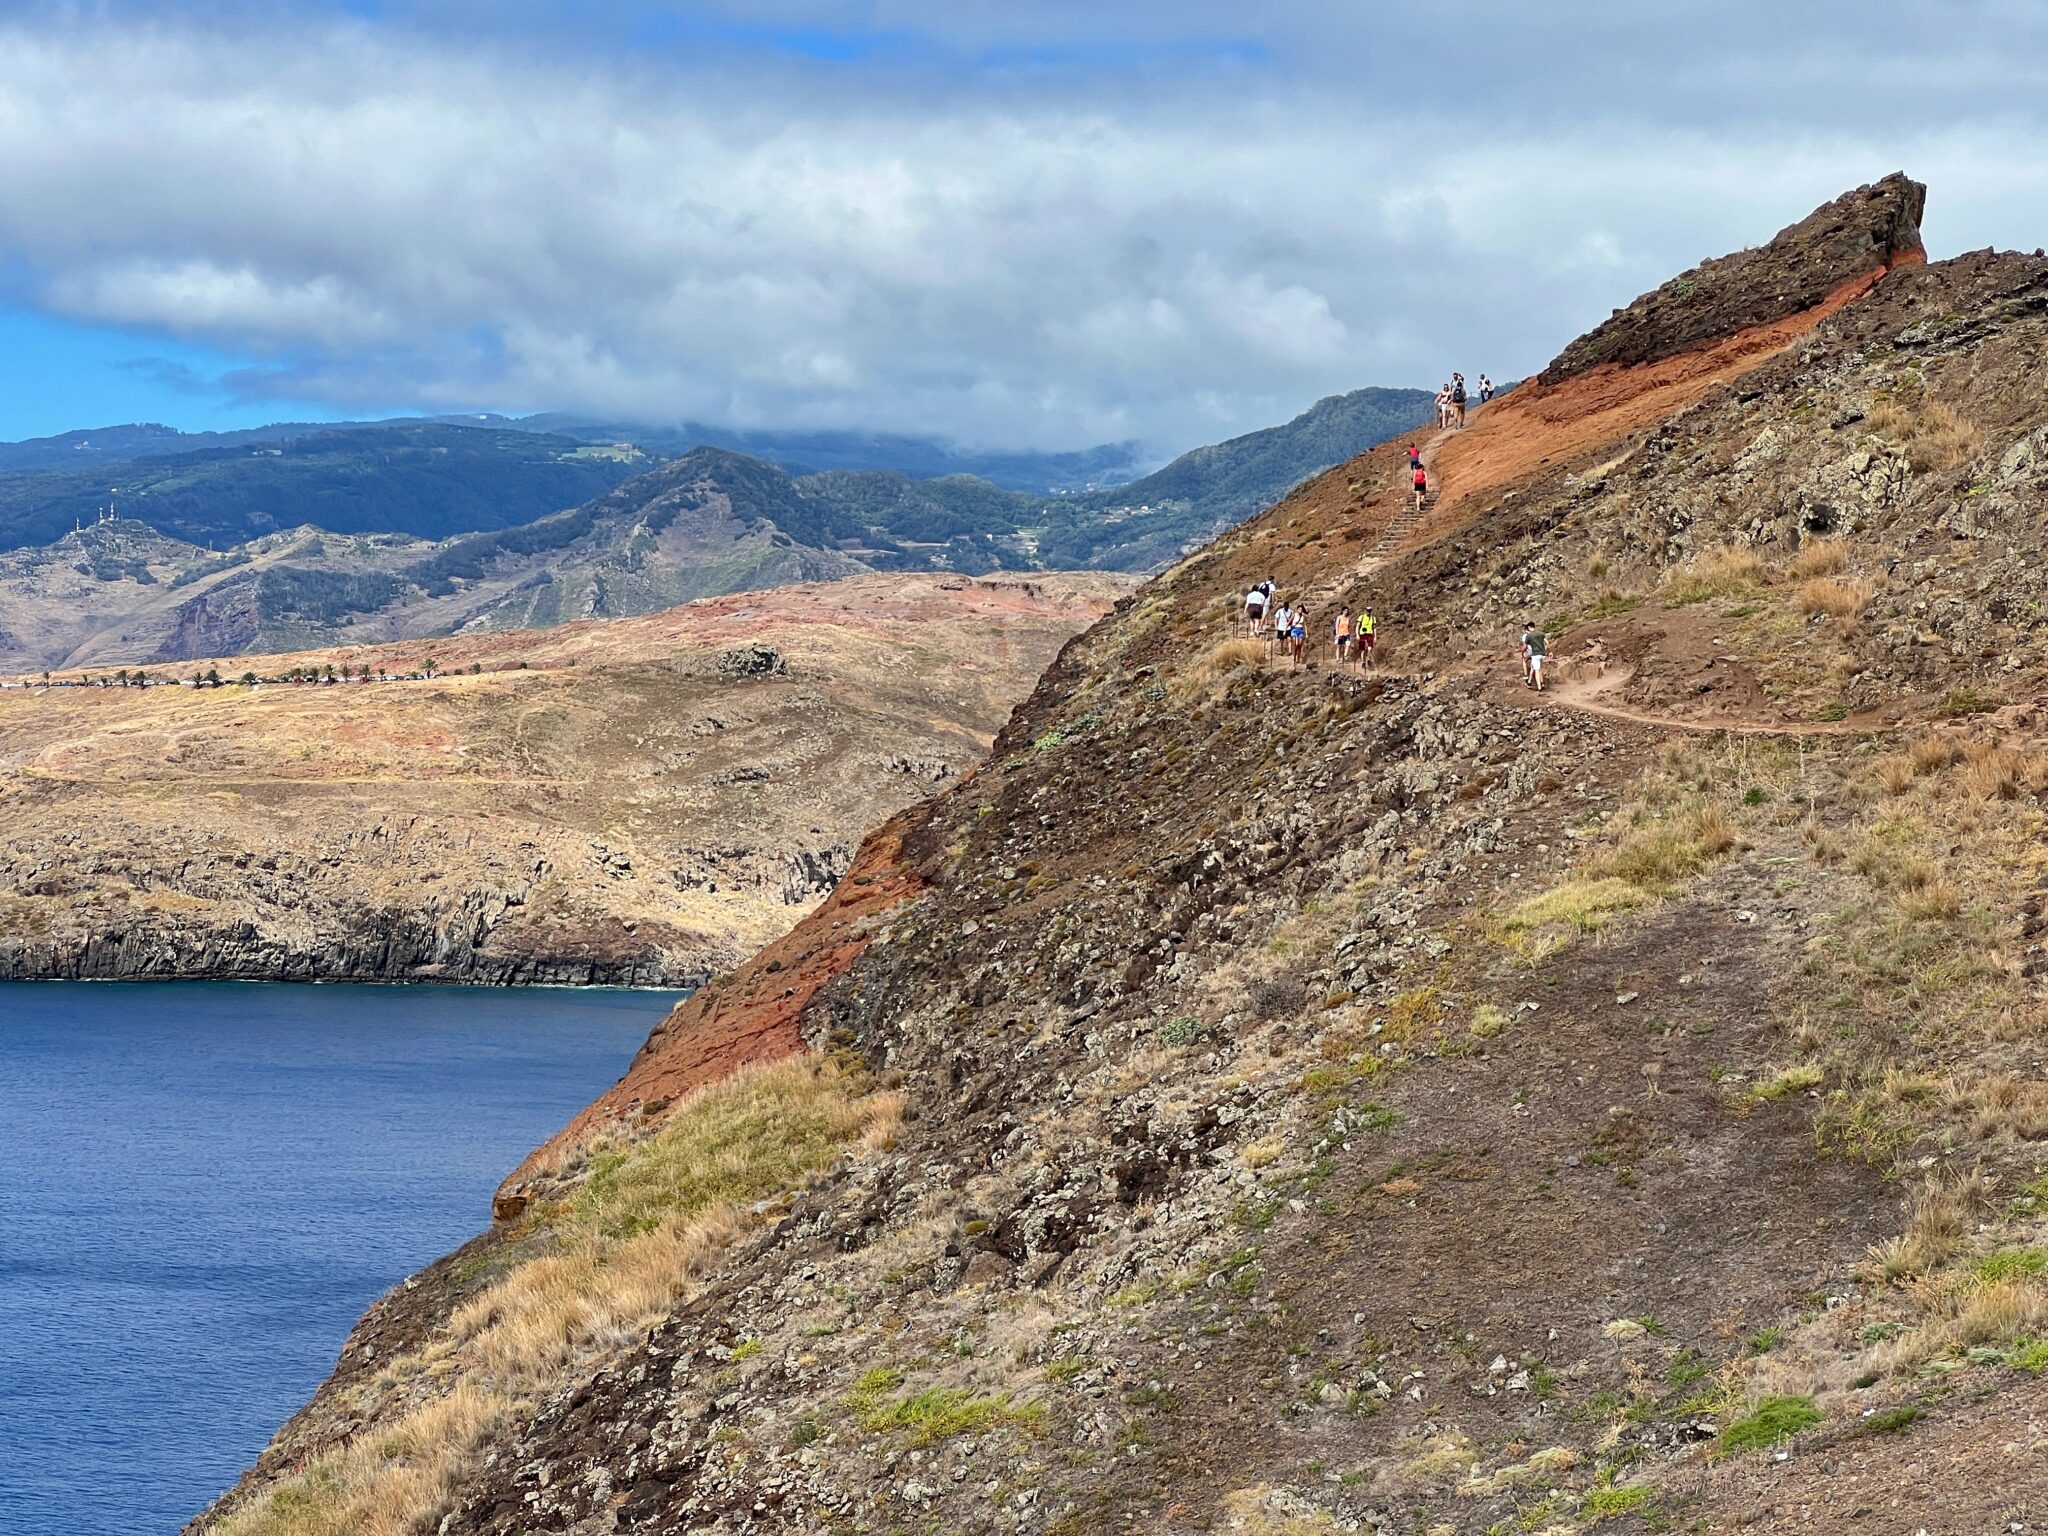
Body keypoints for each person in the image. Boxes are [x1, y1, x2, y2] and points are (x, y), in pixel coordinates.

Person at [1521, 621, 1547, 691]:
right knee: (1536, 667)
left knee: (1536, 670)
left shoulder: (1528, 635)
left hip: (1534, 654)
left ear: (1528, 627)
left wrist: (1523, 652)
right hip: (1542, 653)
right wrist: (1549, 651)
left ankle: (1539, 687)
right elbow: (1546, 642)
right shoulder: (1540, 634)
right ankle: (1531, 682)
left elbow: (1525, 646)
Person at [1357, 605, 1377, 670]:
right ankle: (1363, 662)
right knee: (1362, 650)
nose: (1368, 612)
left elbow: (1374, 628)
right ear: (1366, 611)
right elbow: (1357, 626)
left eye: (1370, 611)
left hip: (1369, 634)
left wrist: (1375, 637)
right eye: (1367, 611)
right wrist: (1357, 634)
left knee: (1370, 648)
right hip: (1362, 634)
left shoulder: (1373, 618)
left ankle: (1368, 659)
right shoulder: (1361, 617)